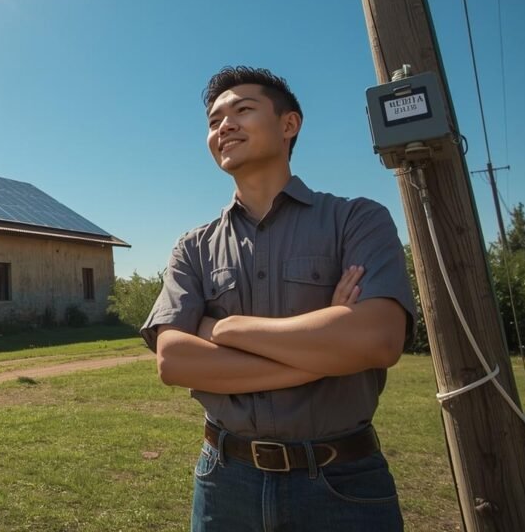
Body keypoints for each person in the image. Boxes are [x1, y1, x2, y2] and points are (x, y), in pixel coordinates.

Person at [141, 66, 417, 531]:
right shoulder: (192, 247)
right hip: (224, 483)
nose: (223, 126)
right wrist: (326, 351)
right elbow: (174, 362)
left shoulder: (357, 221)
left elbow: (377, 340)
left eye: (242, 110)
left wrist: (224, 328)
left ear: (289, 124)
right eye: (213, 121)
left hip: (342, 484)